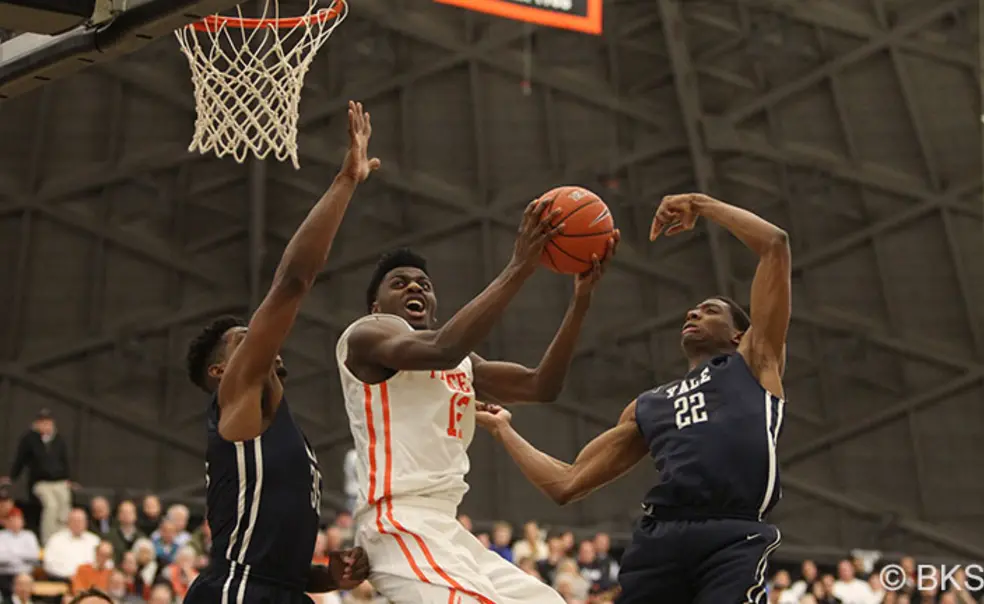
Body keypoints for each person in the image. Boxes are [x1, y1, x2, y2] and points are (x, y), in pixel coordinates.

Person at [477, 192, 792, 604]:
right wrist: (504, 431)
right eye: (691, 311)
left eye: (709, 310)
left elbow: (775, 245)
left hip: (732, 535)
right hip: (660, 539)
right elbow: (567, 483)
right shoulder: (649, 405)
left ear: (739, 335)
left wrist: (700, 204)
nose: (693, 314)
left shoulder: (755, 360)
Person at [335, 199, 618, 604]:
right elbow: (443, 347)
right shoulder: (365, 338)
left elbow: (541, 386)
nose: (416, 286)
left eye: (424, 285)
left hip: (446, 526)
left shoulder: (464, 364)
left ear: (433, 308)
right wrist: (520, 265)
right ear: (376, 308)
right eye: (399, 282)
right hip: (396, 522)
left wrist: (581, 302)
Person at [181, 101, 378, 604]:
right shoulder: (238, 393)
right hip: (235, 592)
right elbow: (293, 281)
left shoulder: (281, 426)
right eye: (243, 338)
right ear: (222, 371)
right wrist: (346, 180)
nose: (260, 337)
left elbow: (277, 569)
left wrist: (330, 578)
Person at [2, 409, 73, 543]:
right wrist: (12, 477)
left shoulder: (59, 440)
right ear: (37, 424)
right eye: (43, 423)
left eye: (48, 423)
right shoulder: (29, 439)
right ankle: (48, 540)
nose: (46, 426)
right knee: (51, 506)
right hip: (41, 482)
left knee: (64, 506)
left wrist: (69, 478)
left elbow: (65, 460)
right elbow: (20, 460)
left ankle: (62, 538)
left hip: (59, 481)